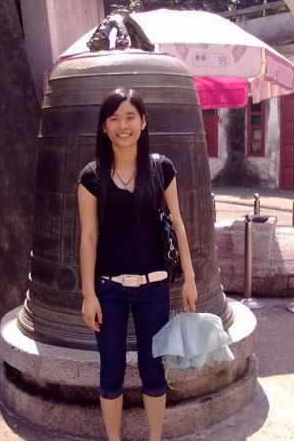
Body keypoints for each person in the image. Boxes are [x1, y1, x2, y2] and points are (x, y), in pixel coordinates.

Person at [77, 88, 197, 441]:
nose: (123, 125)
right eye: (114, 119)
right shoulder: (91, 177)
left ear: (143, 122)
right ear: (104, 127)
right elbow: (88, 238)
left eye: (130, 117)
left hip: (153, 288)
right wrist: (88, 295)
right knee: (110, 372)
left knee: (153, 370)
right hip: (108, 290)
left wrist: (189, 278)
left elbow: (178, 223)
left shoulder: (162, 169)